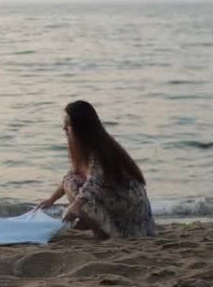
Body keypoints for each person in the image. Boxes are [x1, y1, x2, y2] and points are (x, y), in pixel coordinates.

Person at [36, 100, 156, 239]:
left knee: (76, 187)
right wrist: (51, 200)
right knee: (72, 180)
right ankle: (89, 223)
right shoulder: (88, 147)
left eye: (68, 124)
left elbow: (94, 184)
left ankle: (102, 232)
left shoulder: (98, 151)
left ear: (80, 128)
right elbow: (71, 176)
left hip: (129, 206)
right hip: (119, 200)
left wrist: (75, 208)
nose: (64, 128)